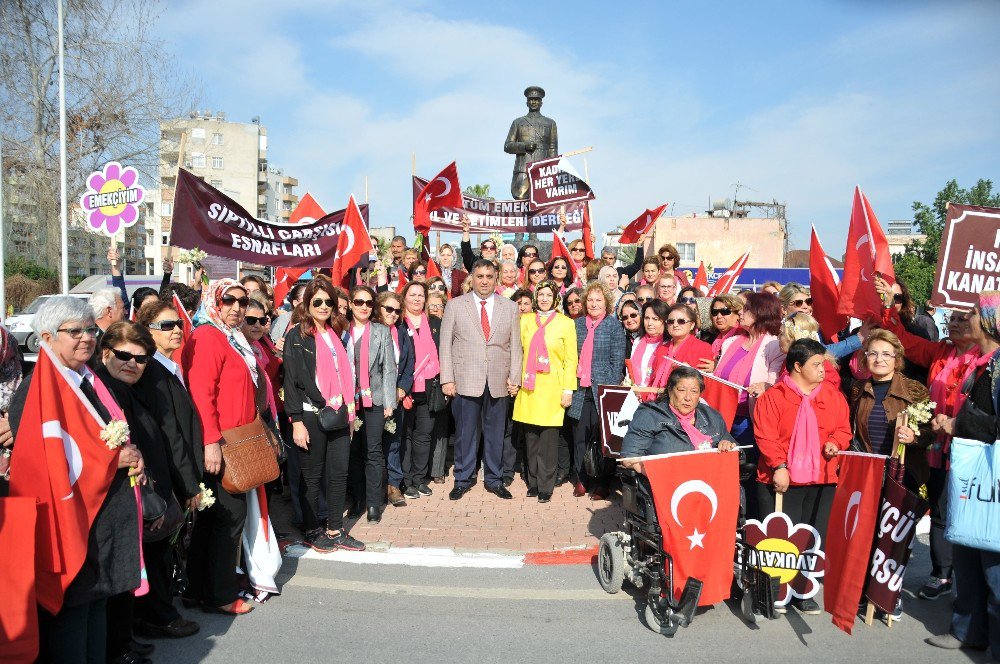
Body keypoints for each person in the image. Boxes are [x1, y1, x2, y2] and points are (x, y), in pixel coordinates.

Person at [8, 297, 143, 662]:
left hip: (102, 514)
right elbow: (44, 461)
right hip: (71, 519)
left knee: (96, 603)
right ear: (47, 338)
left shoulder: (89, 381)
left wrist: (131, 455)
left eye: (90, 330)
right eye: (75, 331)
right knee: (73, 611)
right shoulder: (36, 390)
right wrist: (113, 460)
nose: (86, 338)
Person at [97, 323, 201, 658]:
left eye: (140, 359)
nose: (132, 364)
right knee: (125, 574)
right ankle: (122, 642)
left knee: (143, 567)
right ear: (105, 352)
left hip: (144, 495)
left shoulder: (138, 388)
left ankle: (130, 634)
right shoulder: (104, 390)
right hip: (121, 500)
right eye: (123, 355)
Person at [879, 298, 980, 600]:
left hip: (970, 447)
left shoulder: (986, 359)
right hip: (937, 446)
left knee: (966, 512)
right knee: (939, 508)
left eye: (963, 319)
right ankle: (942, 574)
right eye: (952, 318)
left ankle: (971, 578)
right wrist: (887, 307)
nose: (955, 323)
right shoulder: (941, 351)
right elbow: (903, 342)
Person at [926, 293, 1000, 658]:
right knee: (968, 559)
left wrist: (957, 423)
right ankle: (966, 631)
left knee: (994, 568)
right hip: (972, 474)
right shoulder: (983, 364)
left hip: (992, 480)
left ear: (988, 320)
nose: (963, 318)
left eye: (972, 313)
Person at [754, 338, 851, 614]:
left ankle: (802, 590)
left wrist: (836, 442)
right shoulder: (774, 396)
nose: (823, 369)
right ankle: (771, 590)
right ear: (797, 366)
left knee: (812, 535)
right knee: (779, 539)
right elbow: (766, 436)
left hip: (821, 476)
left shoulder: (832, 395)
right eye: (816, 364)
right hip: (782, 478)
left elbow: (844, 429)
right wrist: (779, 466)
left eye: (823, 363)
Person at [180, 280, 257, 615]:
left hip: (235, 440)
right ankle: (221, 594)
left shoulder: (229, 336)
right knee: (228, 518)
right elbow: (201, 394)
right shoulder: (208, 337)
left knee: (212, 520)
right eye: (229, 300)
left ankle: (198, 589)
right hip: (221, 443)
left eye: (243, 300)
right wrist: (211, 441)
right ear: (215, 300)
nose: (237, 307)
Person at [132, 302, 206, 638]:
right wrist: (190, 484)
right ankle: (159, 616)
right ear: (147, 330)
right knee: (159, 549)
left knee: (166, 548)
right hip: (164, 476)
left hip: (174, 472)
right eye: (166, 325)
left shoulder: (167, 367)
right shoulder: (152, 373)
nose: (176, 329)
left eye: (178, 323)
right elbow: (170, 434)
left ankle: (160, 610)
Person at [283, 278, 365, 553]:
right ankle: (311, 529)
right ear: (307, 304)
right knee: (312, 476)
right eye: (317, 301)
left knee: (339, 473)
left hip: (339, 413)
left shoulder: (335, 333)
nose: (323, 306)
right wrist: (296, 422)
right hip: (310, 415)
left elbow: (346, 376)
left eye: (328, 301)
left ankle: (335, 528)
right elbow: (292, 381)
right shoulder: (297, 335)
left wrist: (351, 415)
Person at [440, 259, 523, 501]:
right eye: (480, 276)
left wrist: (514, 378)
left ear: (496, 278)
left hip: (498, 380)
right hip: (465, 380)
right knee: (466, 433)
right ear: (472, 278)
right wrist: (447, 379)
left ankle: (494, 479)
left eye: (489, 276)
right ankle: (463, 479)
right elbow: (445, 345)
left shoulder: (509, 307)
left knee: (496, 433)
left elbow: (516, 347)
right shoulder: (455, 306)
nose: (484, 281)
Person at [715, 292, 784, 519]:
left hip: (749, 421)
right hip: (723, 418)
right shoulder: (732, 342)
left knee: (746, 474)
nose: (740, 313)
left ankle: (749, 522)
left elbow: (778, 381)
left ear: (760, 313)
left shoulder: (774, 345)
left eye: (745, 309)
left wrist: (765, 384)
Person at [512, 281, 577, 502]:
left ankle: (546, 485)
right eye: (541, 294)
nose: (544, 298)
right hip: (529, 388)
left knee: (548, 443)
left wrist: (568, 389)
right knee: (531, 440)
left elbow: (571, 360)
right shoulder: (525, 321)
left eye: (549, 295)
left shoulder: (565, 323)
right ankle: (533, 481)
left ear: (555, 298)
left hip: (552, 389)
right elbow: (516, 352)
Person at [848, 330, 931, 489]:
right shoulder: (857, 390)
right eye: (873, 354)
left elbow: (930, 432)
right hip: (867, 474)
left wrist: (913, 437)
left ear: (896, 359)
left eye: (886, 354)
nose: (879, 359)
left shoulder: (914, 389)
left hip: (904, 476)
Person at [568, 282, 626, 500]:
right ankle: (582, 479)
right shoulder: (577, 325)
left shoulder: (613, 326)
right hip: (579, 390)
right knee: (579, 437)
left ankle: (602, 483)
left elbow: (617, 361)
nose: (593, 304)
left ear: (606, 303)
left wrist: (608, 390)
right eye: (590, 300)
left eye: (598, 300)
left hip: (603, 390)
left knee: (603, 439)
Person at [346, 286, 396, 523]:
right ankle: (358, 499)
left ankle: (374, 503)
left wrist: (389, 401)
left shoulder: (381, 331)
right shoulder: (340, 331)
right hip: (347, 401)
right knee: (353, 451)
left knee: (373, 451)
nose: (363, 306)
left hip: (374, 399)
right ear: (350, 304)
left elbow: (388, 368)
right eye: (358, 302)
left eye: (368, 302)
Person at [620, 366, 737, 462]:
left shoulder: (711, 416)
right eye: (681, 390)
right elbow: (629, 458)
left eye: (694, 391)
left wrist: (728, 446)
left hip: (707, 483)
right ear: (670, 390)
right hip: (665, 483)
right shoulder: (650, 415)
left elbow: (739, 453)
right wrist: (651, 472)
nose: (688, 398)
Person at [398, 282, 442, 499]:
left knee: (424, 435)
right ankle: (406, 482)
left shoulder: (434, 323)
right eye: (412, 294)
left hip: (429, 386)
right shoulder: (397, 322)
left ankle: (419, 478)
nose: (416, 299)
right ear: (404, 297)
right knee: (404, 435)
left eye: (420, 295)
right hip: (404, 387)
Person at [376, 291, 414, 507]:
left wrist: (402, 387)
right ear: (378, 307)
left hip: (396, 396)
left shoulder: (400, 331)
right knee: (373, 445)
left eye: (397, 310)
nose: (393, 313)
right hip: (374, 397)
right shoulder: (371, 330)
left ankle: (393, 485)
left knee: (394, 442)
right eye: (388, 308)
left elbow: (409, 362)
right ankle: (375, 487)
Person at [646, 303, 714, 397]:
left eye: (681, 321)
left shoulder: (703, 348)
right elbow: (652, 381)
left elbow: (705, 385)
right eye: (670, 321)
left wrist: (689, 372)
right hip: (656, 402)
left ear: (692, 325)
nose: (675, 325)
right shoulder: (661, 349)